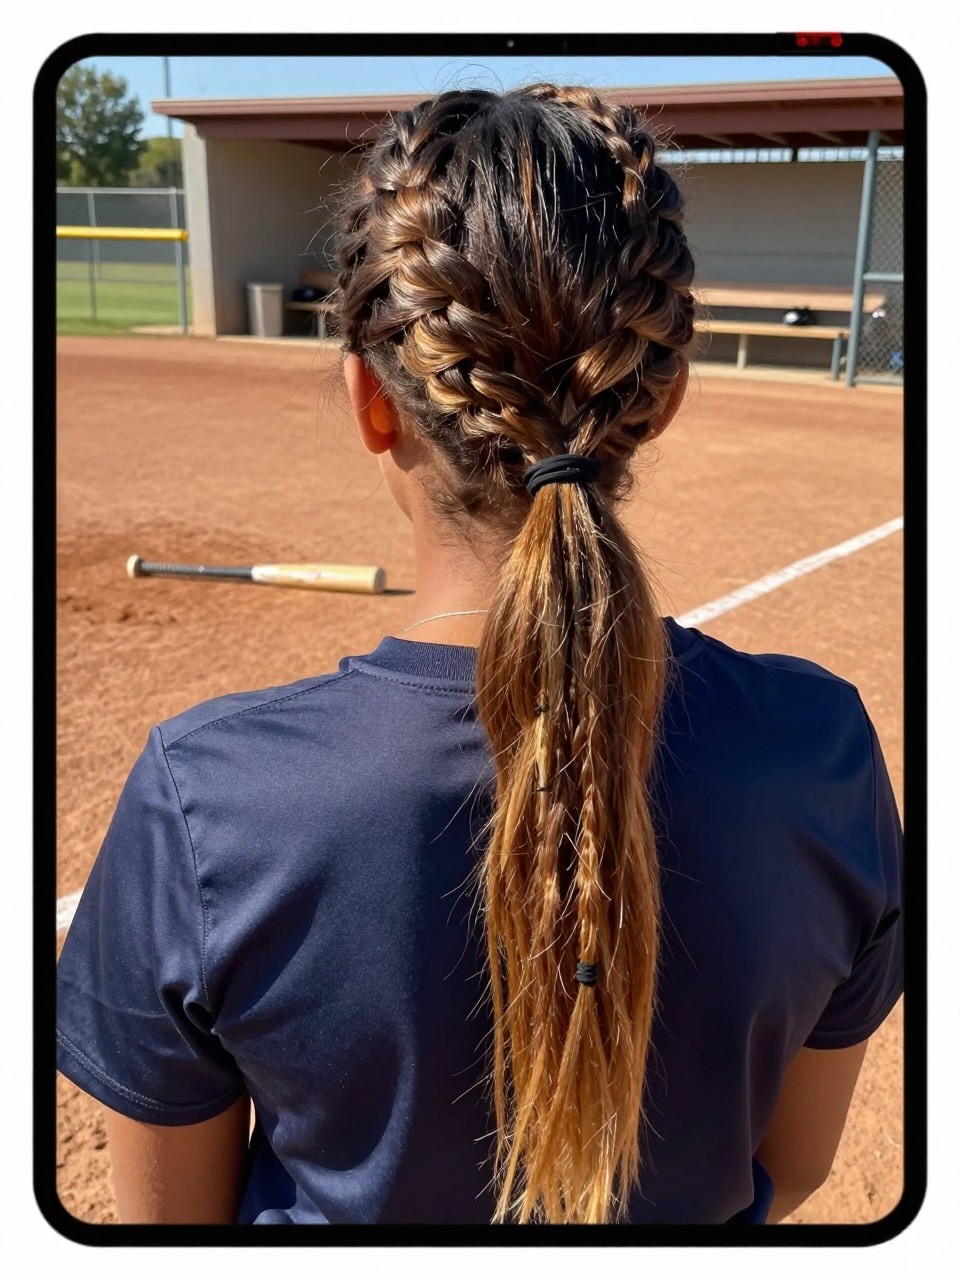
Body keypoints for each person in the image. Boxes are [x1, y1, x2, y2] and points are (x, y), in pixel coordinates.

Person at [55, 83, 904, 1227]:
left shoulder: (207, 803)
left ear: (370, 396)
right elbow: (791, 1168)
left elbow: (169, 1232)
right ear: (664, 400)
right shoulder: (823, 753)